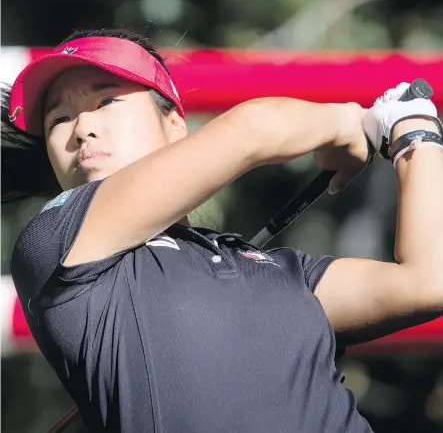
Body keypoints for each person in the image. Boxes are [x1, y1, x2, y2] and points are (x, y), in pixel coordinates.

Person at [2, 28, 442, 433]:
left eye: (106, 102)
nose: (82, 129)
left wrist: (416, 133)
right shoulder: (54, 240)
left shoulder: (282, 269)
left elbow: (428, 282)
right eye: (59, 119)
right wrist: (351, 122)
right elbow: (252, 130)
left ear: (175, 124)